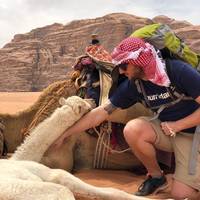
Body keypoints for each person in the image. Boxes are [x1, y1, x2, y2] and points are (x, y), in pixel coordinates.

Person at [52, 37, 200, 199]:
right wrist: (65, 134)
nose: (121, 71)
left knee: (181, 195)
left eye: (124, 65)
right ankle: (157, 177)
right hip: (169, 130)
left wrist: (178, 125)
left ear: (139, 61)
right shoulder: (135, 85)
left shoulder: (178, 71)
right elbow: (101, 113)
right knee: (133, 129)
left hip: (194, 133)